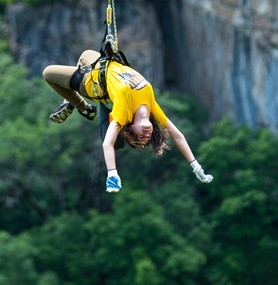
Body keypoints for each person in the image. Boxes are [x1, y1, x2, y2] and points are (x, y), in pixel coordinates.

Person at [43, 49, 214, 193]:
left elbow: (107, 144)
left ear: (131, 127)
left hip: (91, 84)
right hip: (102, 65)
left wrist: (112, 173)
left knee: (48, 73)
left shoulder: (123, 113)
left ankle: (81, 106)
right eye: (147, 139)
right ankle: (71, 99)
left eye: (139, 137)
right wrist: (196, 166)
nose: (146, 136)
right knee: (86, 54)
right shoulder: (153, 108)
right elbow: (178, 136)